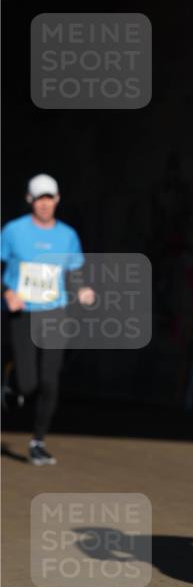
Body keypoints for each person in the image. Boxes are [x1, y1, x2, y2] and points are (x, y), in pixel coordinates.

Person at [1, 174, 94, 465]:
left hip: (54, 312)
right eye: (39, 198)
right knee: (28, 383)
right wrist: (7, 292)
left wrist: (83, 289)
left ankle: (38, 442)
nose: (45, 204)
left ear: (57, 200)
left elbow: (75, 269)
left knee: (50, 380)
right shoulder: (13, 231)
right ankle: (11, 381)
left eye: (49, 198)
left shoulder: (67, 235)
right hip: (22, 311)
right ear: (30, 200)